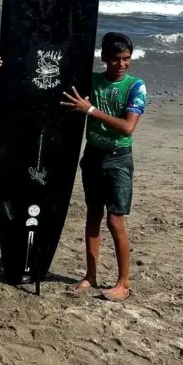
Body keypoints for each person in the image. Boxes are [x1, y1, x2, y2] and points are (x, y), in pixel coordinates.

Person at [61, 32, 147, 302]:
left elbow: (127, 126)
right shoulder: (92, 81)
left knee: (115, 220)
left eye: (126, 59)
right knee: (93, 216)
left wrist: (90, 111)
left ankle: (123, 282)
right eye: (115, 59)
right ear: (104, 58)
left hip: (119, 158)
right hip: (93, 156)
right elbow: (53, 74)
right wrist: (5, 64)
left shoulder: (136, 87)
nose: (121, 65)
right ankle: (90, 275)